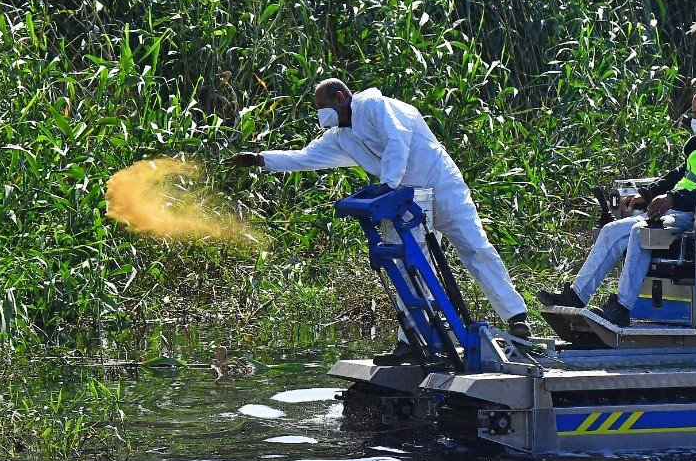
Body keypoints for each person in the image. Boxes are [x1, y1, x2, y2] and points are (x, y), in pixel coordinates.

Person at [228, 78, 532, 346]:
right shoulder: (342, 136)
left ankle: (516, 316)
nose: (320, 112)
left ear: (340, 97)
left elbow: (396, 143)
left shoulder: (377, 106)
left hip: (439, 184)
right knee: (408, 266)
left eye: (322, 105)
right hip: (405, 198)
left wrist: (387, 185)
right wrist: (259, 159)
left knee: (474, 247)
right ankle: (414, 340)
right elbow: (308, 157)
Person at [541, 84, 696, 326]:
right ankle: (576, 297)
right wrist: (647, 194)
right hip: (679, 208)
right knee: (611, 230)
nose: (695, 119)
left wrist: (672, 199)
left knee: (641, 232)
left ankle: (621, 307)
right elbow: (678, 175)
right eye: (693, 113)